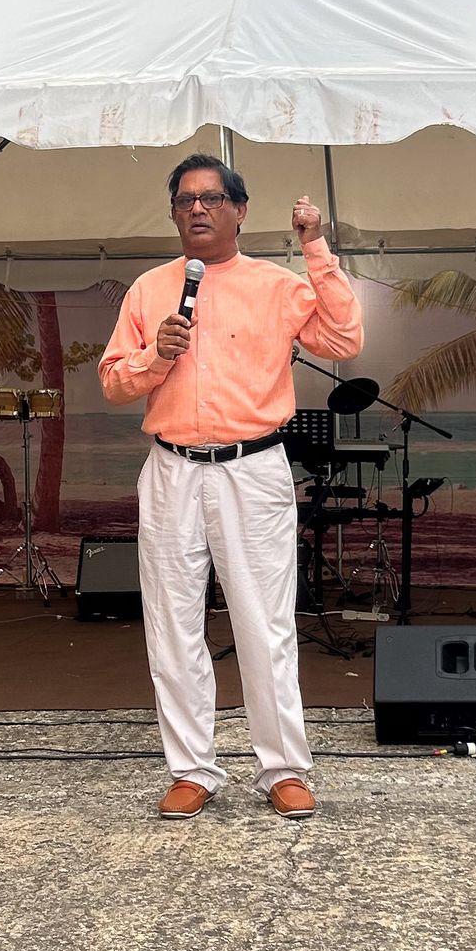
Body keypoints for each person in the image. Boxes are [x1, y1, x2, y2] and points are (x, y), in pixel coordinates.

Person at [98, 155, 364, 818]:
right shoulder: (149, 289)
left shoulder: (276, 285)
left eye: (212, 198)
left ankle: (283, 769)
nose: (197, 209)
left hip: (253, 468)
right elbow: (113, 382)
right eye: (185, 200)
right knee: (172, 624)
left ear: (240, 211)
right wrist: (155, 355)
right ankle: (191, 769)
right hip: (172, 468)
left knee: (264, 623)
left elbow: (343, 338)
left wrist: (315, 248)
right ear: (173, 214)